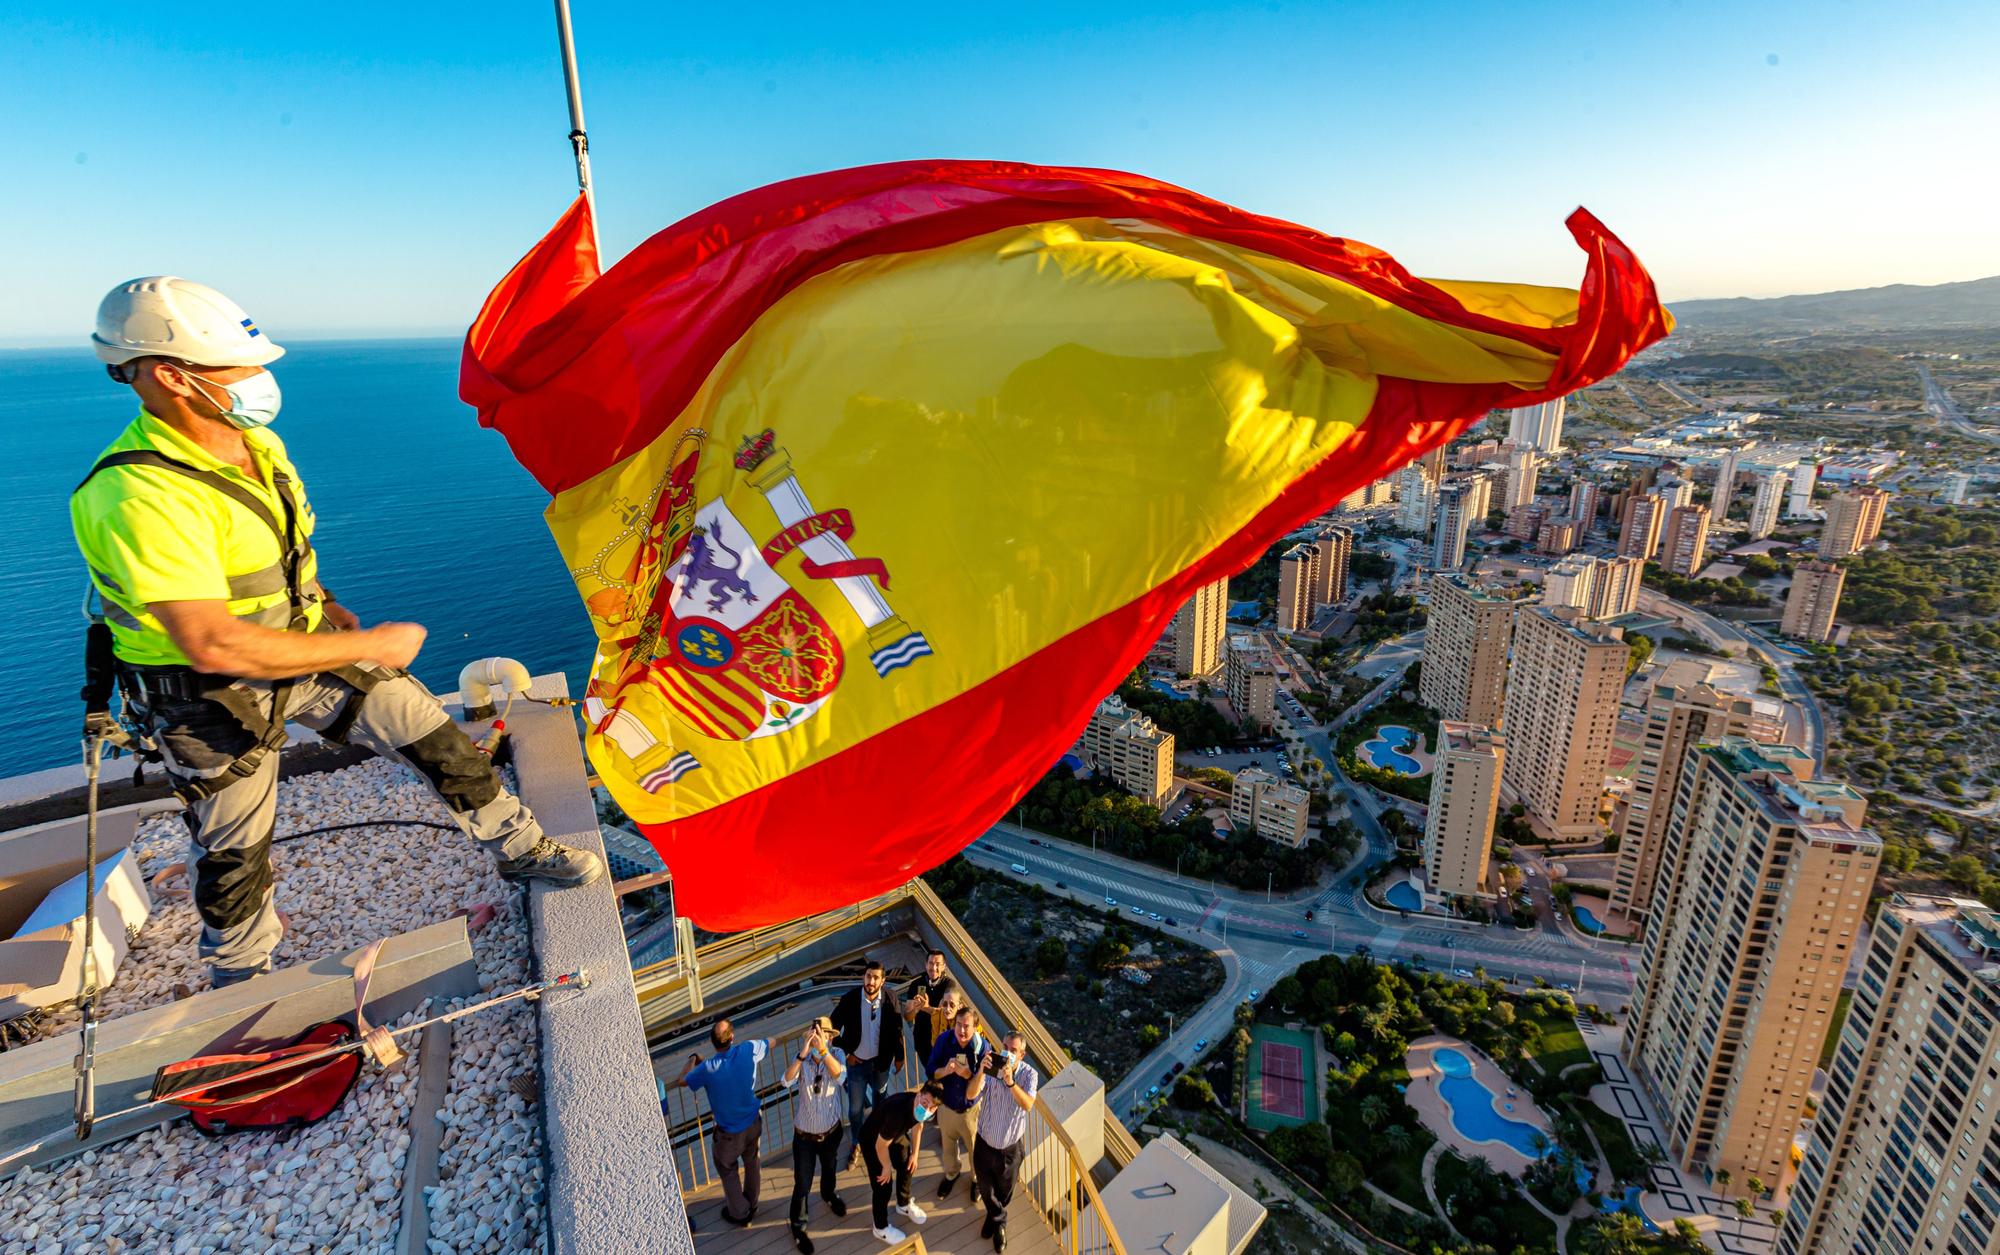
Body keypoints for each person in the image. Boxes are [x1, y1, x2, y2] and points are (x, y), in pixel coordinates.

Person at [71, 277, 603, 987]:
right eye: (241, 367)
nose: (259, 381)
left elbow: (281, 548)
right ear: (172, 376)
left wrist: (332, 603)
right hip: (207, 694)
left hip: (303, 645)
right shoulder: (138, 495)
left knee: (433, 735)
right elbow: (212, 641)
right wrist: (367, 646)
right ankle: (243, 983)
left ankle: (521, 846)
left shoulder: (254, 445)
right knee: (234, 851)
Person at [669, 1018, 771, 1227]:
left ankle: (741, 1213)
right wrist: (767, 1042)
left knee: (727, 1168)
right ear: (732, 1038)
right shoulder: (748, 1049)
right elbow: (772, 1042)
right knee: (752, 1162)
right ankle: (752, 1202)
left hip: (729, 1135)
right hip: (753, 1123)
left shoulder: (707, 1068)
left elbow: (682, 1080)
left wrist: (693, 1058)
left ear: (713, 1042)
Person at [966, 1031, 1039, 1251]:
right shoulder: (990, 1067)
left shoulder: (1029, 1075)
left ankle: (995, 1217)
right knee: (986, 1189)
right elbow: (970, 1095)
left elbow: (1027, 1105)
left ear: (1022, 1054)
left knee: (1004, 1192)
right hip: (984, 1144)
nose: (1008, 1052)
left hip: (1009, 1150)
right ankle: (998, 1221)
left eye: (1014, 1050)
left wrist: (1010, 1082)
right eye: (1005, 1046)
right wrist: (980, 1071)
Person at [782, 1016, 848, 1254]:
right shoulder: (802, 1059)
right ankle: (798, 1227)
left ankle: (829, 1195)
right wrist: (803, 1054)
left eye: (822, 1034)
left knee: (830, 1168)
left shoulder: (837, 1054)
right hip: (804, 1137)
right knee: (802, 1183)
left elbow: (840, 1076)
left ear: (829, 1037)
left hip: (830, 1132)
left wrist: (823, 1051)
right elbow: (785, 1081)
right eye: (814, 1033)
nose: (818, 1037)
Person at [830, 958, 904, 1168]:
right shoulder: (850, 999)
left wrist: (899, 1057)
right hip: (857, 1064)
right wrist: (847, 1053)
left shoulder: (890, 998)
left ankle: (880, 1135)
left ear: (883, 980)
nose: (871, 981)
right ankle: (856, 1142)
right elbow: (832, 1029)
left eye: (875, 978)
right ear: (864, 976)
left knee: (881, 1102)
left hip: (880, 1064)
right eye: (868, 976)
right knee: (855, 1109)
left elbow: (897, 1029)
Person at [860, 1081, 942, 1244]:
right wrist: (886, 1166)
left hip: (895, 1136)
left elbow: (919, 1125)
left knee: (907, 1165)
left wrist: (915, 1153)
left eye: (931, 1108)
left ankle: (903, 1204)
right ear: (918, 1095)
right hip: (873, 1140)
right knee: (883, 1184)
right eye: (925, 1103)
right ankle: (880, 1228)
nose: (926, 1110)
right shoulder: (896, 1114)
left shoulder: (920, 1110)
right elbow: (880, 1145)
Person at [926, 1004, 990, 1199]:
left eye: (967, 1026)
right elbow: (930, 1071)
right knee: (948, 1147)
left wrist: (967, 1073)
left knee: (974, 1150)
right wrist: (945, 1070)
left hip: (971, 1111)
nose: (962, 1030)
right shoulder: (944, 1040)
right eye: (959, 1024)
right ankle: (952, 1174)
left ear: (975, 1027)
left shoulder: (982, 1049)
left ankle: (976, 1180)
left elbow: (980, 1085)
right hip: (946, 1107)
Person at [902, 948, 958, 1071]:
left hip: (943, 1039)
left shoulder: (949, 985)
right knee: (932, 1073)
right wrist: (915, 1010)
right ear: (926, 965)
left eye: (938, 964)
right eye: (931, 963)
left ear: (944, 966)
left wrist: (925, 1007)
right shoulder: (916, 984)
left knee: (945, 1073)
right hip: (922, 1040)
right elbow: (907, 1016)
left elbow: (945, 1013)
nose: (934, 968)